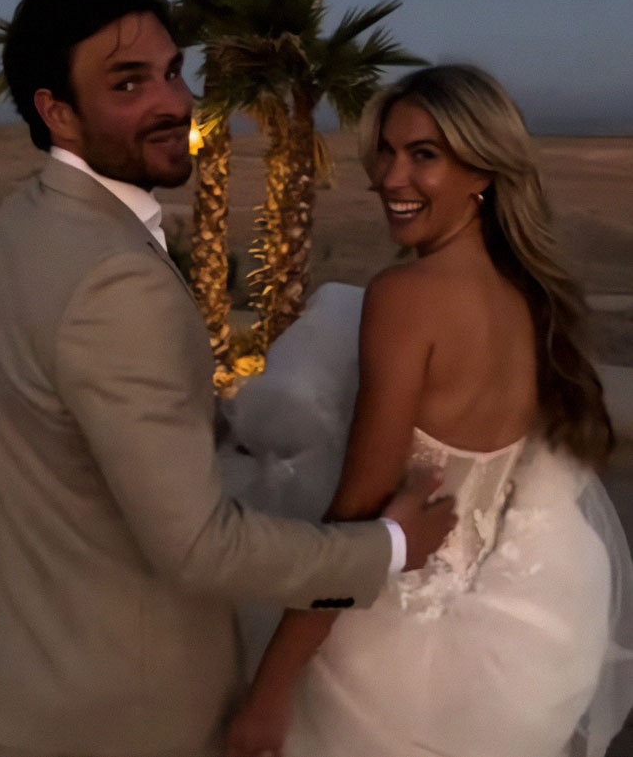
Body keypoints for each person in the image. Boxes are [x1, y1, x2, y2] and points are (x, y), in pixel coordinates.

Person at [0, 0, 456, 757]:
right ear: (57, 111)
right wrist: (387, 548)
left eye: (173, 71)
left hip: (17, 668)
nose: (174, 101)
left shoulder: (25, 220)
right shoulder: (114, 277)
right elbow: (197, 545)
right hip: (115, 711)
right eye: (128, 83)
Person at [225, 65, 633, 757]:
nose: (390, 177)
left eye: (424, 155)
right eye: (385, 151)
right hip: (508, 656)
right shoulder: (531, 297)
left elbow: (357, 513)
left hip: (384, 650)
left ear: (483, 171)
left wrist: (270, 689)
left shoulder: (405, 297)